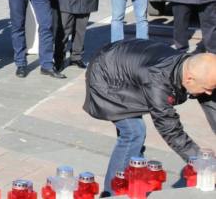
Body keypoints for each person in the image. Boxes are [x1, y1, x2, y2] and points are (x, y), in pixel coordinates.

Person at [83, 39, 216, 197]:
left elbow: (212, 105)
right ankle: (112, 194)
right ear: (189, 79)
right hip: (106, 75)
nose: (209, 92)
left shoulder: (192, 69)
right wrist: (203, 165)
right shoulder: (158, 81)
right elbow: (170, 128)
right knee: (134, 132)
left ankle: (133, 178)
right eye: (207, 88)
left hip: (130, 67)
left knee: (135, 142)